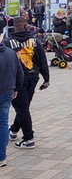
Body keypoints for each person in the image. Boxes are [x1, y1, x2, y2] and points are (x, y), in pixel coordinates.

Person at [3, 17, 50, 149]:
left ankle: (29, 138)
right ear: (26, 26)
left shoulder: (8, 42)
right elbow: (42, 60)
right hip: (33, 77)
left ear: (14, 28)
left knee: (22, 108)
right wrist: (46, 78)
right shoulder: (35, 41)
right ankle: (13, 131)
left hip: (18, 79)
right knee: (23, 107)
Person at [0, 39, 24, 166]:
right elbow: (19, 74)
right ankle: (1, 157)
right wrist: (15, 88)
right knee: (3, 124)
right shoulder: (10, 53)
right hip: (7, 92)